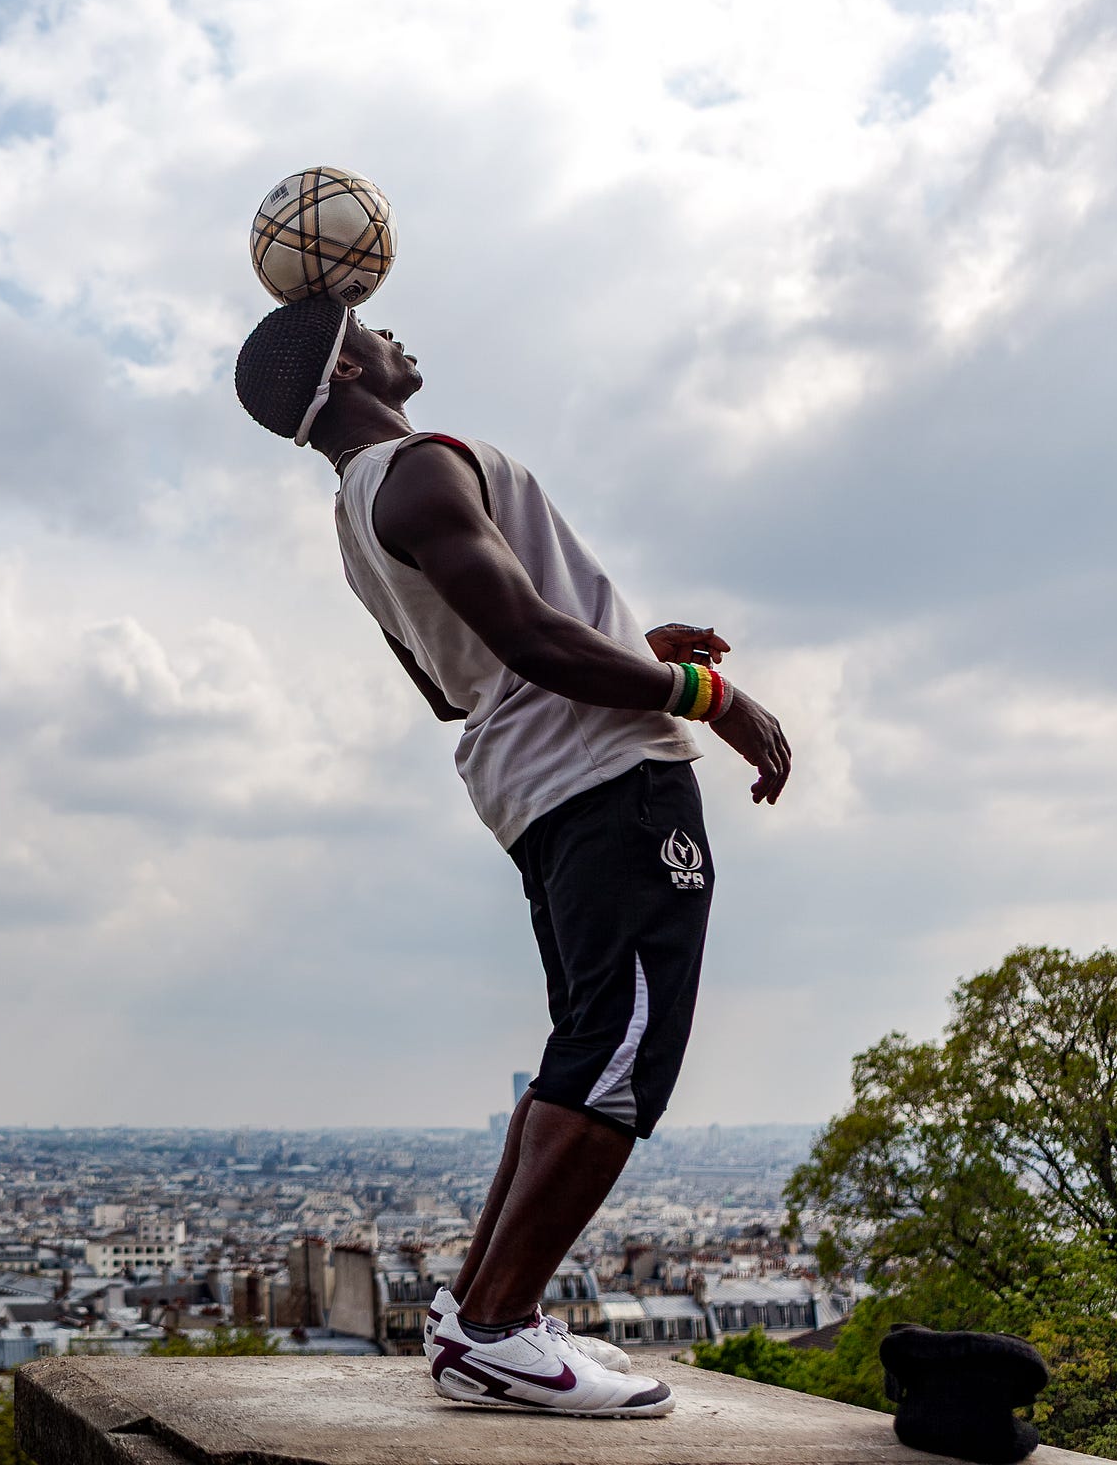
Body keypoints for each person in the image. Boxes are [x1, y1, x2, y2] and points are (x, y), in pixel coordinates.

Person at [232, 296, 791, 1418]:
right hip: (608, 778)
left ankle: (483, 1315)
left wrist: (626, 647)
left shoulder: (357, 519)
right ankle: (493, 1328)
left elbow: (460, 686)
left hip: (536, 790)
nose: (398, 336)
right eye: (373, 327)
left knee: (585, 1041)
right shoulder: (424, 470)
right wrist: (708, 694)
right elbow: (532, 641)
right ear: (348, 366)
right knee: (626, 1050)